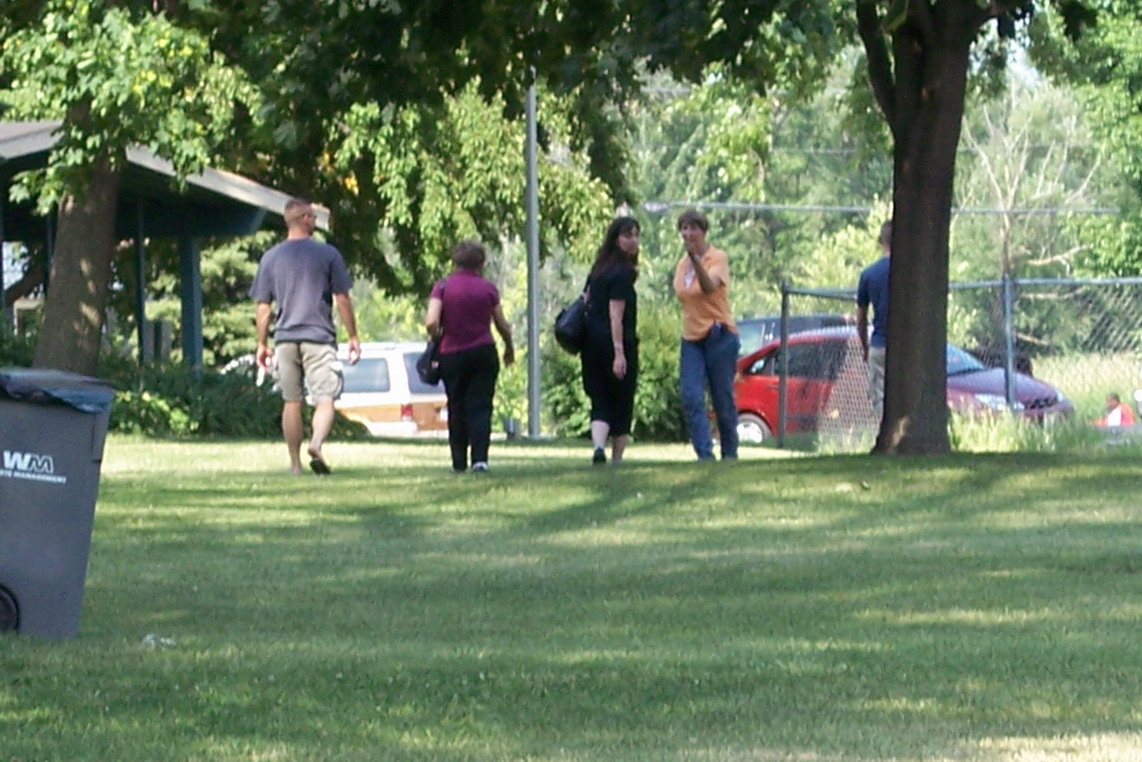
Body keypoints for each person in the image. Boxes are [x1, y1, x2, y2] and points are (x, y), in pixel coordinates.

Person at [252, 197, 361, 475]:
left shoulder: (270, 258)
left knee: (292, 401)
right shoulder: (328, 254)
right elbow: (342, 299)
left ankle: (295, 465)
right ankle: (316, 443)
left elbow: (263, 308)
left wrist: (261, 344)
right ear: (303, 219)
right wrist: (353, 336)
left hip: (285, 339)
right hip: (318, 337)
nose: (315, 220)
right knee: (325, 398)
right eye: (312, 216)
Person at [425, 241, 514, 473]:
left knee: (456, 406)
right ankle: (480, 460)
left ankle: (458, 462)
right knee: (480, 406)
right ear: (481, 263)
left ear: (455, 262)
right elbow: (502, 324)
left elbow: (431, 321)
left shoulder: (442, 286)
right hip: (483, 352)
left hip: (451, 353)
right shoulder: (488, 289)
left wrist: (437, 335)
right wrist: (509, 348)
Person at [672, 209, 739, 460]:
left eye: (693, 228)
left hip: (718, 335)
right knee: (690, 396)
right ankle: (704, 454)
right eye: (684, 228)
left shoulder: (717, 258)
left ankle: (729, 454)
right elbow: (684, 295)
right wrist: (689, 259)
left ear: (703, 231)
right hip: (691, 339)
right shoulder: (682, 265)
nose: (688, 233)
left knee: (721, 399)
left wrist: (696, 259)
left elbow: (709, 287)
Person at [581, 216, 640, 465]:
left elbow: (585, 300)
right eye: (627, 235)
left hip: (591, 343)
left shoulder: (598, 269)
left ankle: (598, 446)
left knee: (600, 399)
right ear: (616, 239)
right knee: (622, 401)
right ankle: (616, 458)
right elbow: (616, 315)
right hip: (616, 343)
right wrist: (619, 352)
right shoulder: (622, 273)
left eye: (636, 235)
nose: (633, 241)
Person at [856, 220, 892, 420]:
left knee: (880, 401)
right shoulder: (912, 274)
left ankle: (885, 432)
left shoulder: (868, 274)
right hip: (907, 349)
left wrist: (865, 347)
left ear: (880, 240)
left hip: (879, 344)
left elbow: (861, 318)